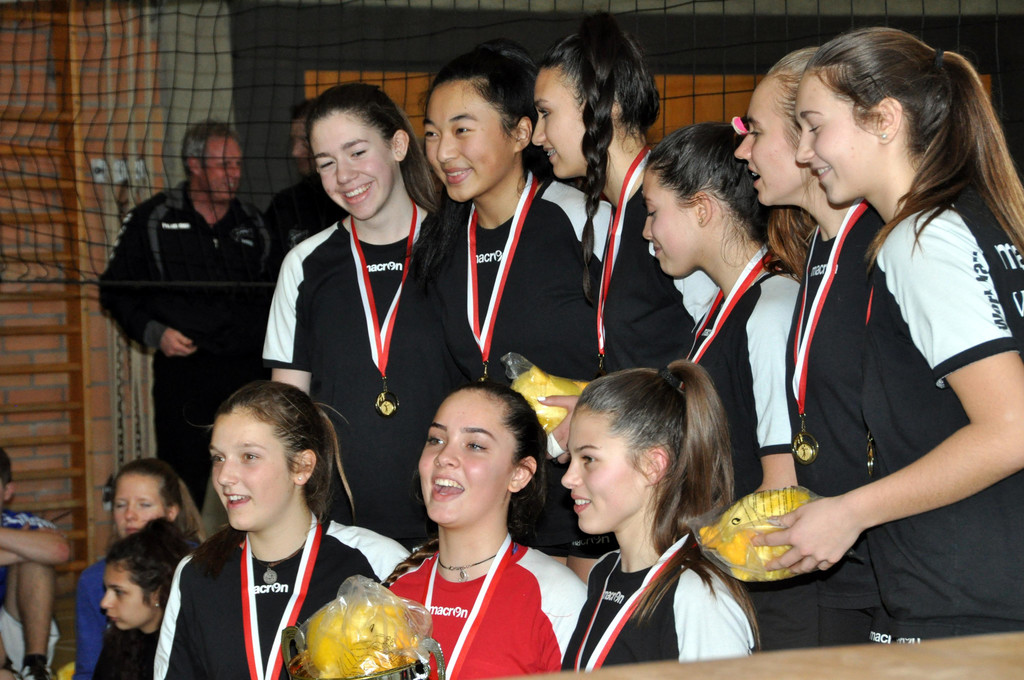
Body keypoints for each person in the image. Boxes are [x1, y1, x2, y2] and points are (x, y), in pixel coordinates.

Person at [765, 26, 1024, 641]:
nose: (804, 152)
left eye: (814, 127)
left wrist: (850, 512)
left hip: (966, 596)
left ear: (883, 120)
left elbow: (1012, 427)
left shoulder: (921, 237)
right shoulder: (977, 218)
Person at [413, 39, 608, 563]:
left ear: (522, 133)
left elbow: (661, 340)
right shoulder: (441, 242)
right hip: (494, 505)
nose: (443, 152)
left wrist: (605, 410)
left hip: (586, 494)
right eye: (432, 133)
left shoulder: (584, 219)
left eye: (462, 130)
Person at [733, 47, 887, 646]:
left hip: (894, 569)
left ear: (809, 136)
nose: (742, 150)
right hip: (845, 562)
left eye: (755, 131)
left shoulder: (882, 246)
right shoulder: (818, 249)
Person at [264, 83, 457, 547]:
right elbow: (288, 411)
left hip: (451, 515)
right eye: (326, 163)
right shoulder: (305, 264)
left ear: (397, 145)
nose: (344, 175)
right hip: (342, 526)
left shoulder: (459, 247)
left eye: (356, 152)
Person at [154, 381, 407, 679]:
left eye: (249, 457)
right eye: (218, 458)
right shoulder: (196, 574)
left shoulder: (378, 561)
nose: (223, 477)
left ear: (302, 466)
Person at [100, 120, 274, 511]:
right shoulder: (153, 219)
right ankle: (184, 547)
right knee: (183, 480)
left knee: (254, 473)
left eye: (237, 164)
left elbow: (277, 297)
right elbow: (114, 290)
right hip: (185, 372)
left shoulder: (254, 223)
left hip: (245, 373)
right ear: (194, 165)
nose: (233, 174)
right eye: (223, 164)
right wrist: (154, 332)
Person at [534, 12, 719, 377]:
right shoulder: (625, 212)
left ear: (607, 104)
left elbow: (719, 338)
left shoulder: (672, 207)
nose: (538, 136)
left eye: (546, 113)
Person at [561, 361, 755, 668]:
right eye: (571, 457)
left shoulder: (698, 595)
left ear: (652, 466)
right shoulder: (604, 572)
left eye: (588, 458)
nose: (567, 478)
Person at [387, 382, 586, 679]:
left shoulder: (557, 599)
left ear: (519, 474)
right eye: (436, 440)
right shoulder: (394, 592)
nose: (444, 457)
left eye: (475, 445)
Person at [75, 459, 203, 680]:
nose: (129, 515)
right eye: (120, 505)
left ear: (171, 512)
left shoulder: (200, 569)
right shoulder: (94, 579)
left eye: (144, 505)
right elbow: (89, 669)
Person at [0, 448, 69, 680]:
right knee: (33, 552)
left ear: (7, 491)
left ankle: (35, 667)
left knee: (37, 562)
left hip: (14, 627)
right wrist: (21, 549)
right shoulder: (24, 530)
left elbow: (59, 551)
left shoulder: (21, 521)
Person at [92, 519, 190, 680]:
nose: (104, 603)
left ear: (156, 594)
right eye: (107, 589)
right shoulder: (119, 640)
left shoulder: (186, 651)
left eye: (119, 592)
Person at [262, 99, 348, 265]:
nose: (295, 152)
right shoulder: (285, 205)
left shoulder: (356, 200)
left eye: (304, 142)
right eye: (293, 141)